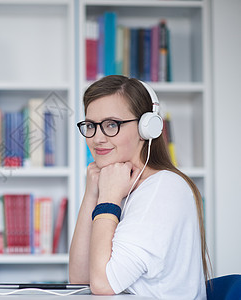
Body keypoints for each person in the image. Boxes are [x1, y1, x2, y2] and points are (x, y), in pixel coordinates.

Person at [69, 75, 210, 299]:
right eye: (90, 126)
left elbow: (102, 285)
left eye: (111, 124)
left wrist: (108, 198)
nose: (97, 138)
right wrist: (91, 194)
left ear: (147, 128)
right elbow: (79, 280)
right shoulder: (119, 185)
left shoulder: (163, 188)